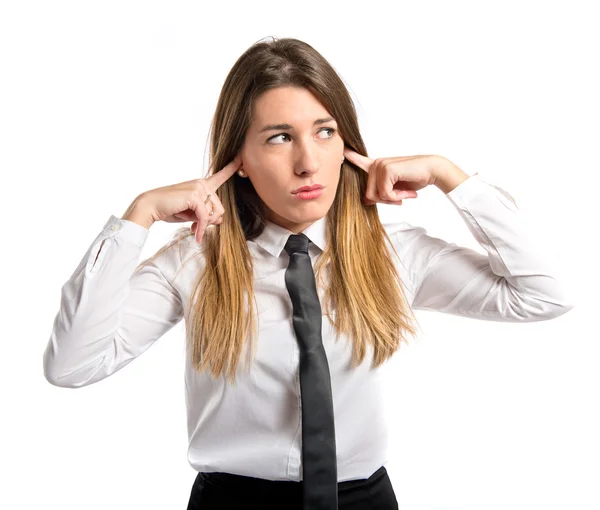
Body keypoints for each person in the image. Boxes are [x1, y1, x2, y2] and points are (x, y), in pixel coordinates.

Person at [42, 37, 574, 510]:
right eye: (279, 137)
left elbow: (546, 295)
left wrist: (447, 176)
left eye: (324, 132)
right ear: (239, 159)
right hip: (233, 502)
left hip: (365, 499)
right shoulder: (197, 261)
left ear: (348, 145)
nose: (308, 162)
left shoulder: (390, 253)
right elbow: (71, 365)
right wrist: (139, 216)